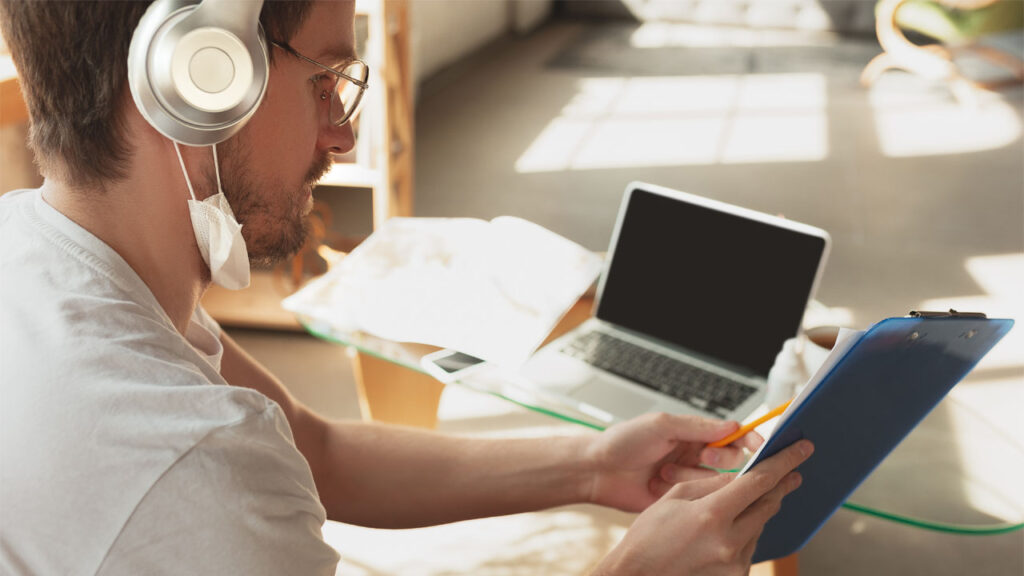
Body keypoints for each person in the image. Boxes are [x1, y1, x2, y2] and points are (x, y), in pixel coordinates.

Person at [0, 1, 813, 574]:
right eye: (324, 81)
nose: (344, 136)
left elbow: (315, 451)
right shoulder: (189, 465)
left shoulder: (42, 252)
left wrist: (593, 467)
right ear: (195, 80)